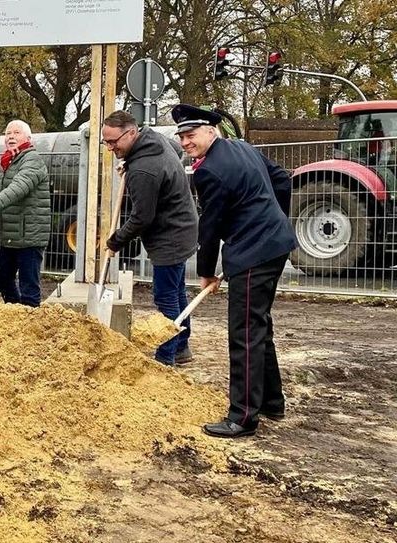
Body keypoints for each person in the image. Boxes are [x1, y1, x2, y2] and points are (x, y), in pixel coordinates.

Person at [172, 104, 297, 439]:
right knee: (259, 325)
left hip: (253, 253)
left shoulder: (209, 171)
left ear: (210, 131)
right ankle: (272, 402)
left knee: (244, 333)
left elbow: (210, 226)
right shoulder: (242, 147)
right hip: (276, 244)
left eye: (191, 134)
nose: (185, 142)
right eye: (181, 136)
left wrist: (206, 272)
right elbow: (281, 179)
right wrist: (274, 217)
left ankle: (242, 417)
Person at [101, 110, 199, 366]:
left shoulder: (143, 171)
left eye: (113, 142)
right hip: (184, 226)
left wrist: (115, 241)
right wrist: (129, 163)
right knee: (177, 291)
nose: (110, 148)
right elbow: (175, 153)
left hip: (170, 236)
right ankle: (182, 347)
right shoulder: (154, 140)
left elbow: (141, 218)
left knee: (166, 297)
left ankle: (165, 359)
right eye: (106, 142)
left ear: (132, 133)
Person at [0, 120, 51, 307]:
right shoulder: (10, 161)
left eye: (16, 132)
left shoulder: (32, 160)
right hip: (11, 235)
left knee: (29, 288)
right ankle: (15, 312)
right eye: (8, 133)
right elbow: (0, 190)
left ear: (28, 138)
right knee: (3, 281)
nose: (11, 136)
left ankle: (30, 318)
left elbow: (17, 188)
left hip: (29, 235)